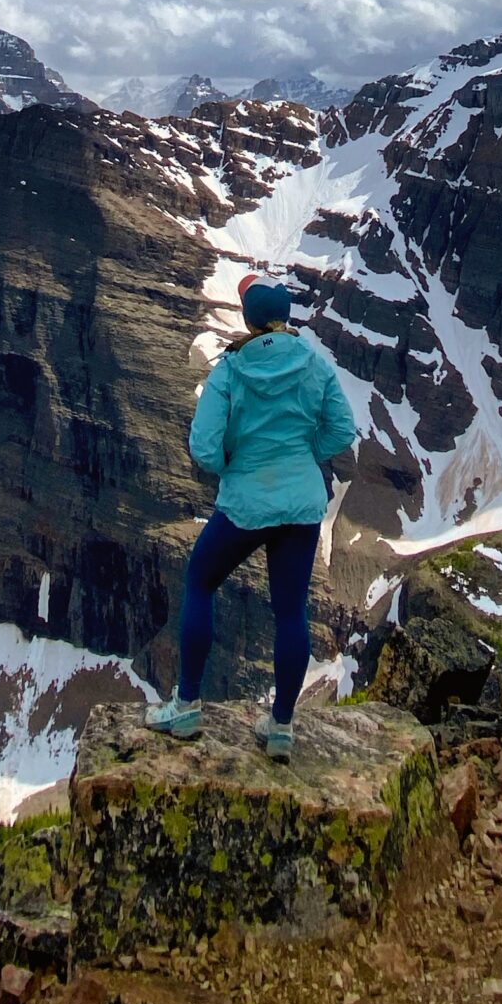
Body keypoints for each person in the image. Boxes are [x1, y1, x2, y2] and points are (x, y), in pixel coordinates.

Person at [145, 273, 357, 760]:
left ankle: (186, 704)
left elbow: (203, 447)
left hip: (245, 502)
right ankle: (281, 726)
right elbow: (342, 432)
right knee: (290, 610)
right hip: (301, 505)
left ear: (248, 318)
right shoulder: (313, 364)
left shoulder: (230, 370)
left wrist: (233, 466)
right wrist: (306, 455)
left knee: (200, 581)